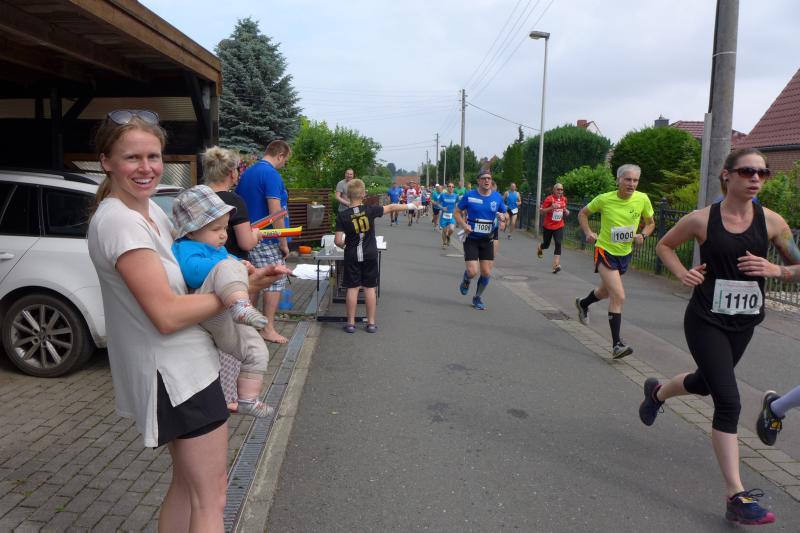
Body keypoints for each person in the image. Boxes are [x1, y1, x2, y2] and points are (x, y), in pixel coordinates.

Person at [87, 109, 284, 529]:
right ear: (106, 161)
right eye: (132, 157)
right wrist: (238, 293)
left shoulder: (151, 212)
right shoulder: (121, 223)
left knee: (187, 488)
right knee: (212, 499)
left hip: (185, 367)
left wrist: (233, 275)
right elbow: (165, 314)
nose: (146, 167)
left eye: (153, 156)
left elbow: (191, 273)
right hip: (176, 375)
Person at [641, 148, 798, 525]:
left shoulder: (772, 222)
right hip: (706, 320)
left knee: (704, 383)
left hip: (744, 322)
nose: (756, 178)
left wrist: (777, 270)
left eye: (763, 173)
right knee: (728, 401)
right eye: (747, 171)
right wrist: (682, 272)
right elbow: (664, 245)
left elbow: (798, 265)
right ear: (727, 175)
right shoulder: (701, 220)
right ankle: (736, 496)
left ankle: (657, 392)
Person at [172, 185, 286, 419]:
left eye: (224, 228)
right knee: (228, 266)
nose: (224, 235)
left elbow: (233, 263)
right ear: (191, 232)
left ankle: (248, 399)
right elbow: (193, 273)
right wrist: (232, 265)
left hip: (225, 315)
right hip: (205, 308)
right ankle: (242, 306)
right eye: (216, 229)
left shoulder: (219, 251)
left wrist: (248, 267)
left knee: (256, 350)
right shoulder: (186, 247)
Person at [574, 164, 655, 358]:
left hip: (624, 253)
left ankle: (583, 303)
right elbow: (583, 213)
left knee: (604, 291)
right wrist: (588, 232)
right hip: (605, 251)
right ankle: (617, 345)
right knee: (618, 296)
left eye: (635, 180)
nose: (632, 184)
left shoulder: (642, 199)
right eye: (628, 179)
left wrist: (643, 235)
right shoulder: (604, 199)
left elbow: (651, 223)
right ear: (618, 180)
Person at [335, 178, 413, 332]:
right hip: (370, 253)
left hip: (352, 255)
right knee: (370, 288)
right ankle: (371, 323)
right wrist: (411, 205)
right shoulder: (370, 210)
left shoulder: (342, 216)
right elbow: (391, 207)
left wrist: (345, 245)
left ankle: (350, 324)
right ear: (363, 194)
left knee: (352, 288)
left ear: (347, 195)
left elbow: (338, 241)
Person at [236, 140, 292, 344]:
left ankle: (247, 329)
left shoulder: (248, 173)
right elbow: (275, 211)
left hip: (248, 236)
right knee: (274, 281)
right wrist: (283, 242)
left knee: (253, 282)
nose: (284, 164)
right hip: (267, 239)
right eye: (285, 160)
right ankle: (268, 329)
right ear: (280, 155)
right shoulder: (270, 174)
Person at [455, 170, 508, 310]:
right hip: (472, 239)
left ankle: (477, 297)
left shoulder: (497, 197)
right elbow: (457, 212)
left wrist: (503, 218)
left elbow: (505, 213)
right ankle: (467, 279)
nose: (487, 181)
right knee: (473, 271)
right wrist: (464, 225)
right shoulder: (469, 195)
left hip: (487, 240)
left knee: (486, 273)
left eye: (489, 178)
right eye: (484, 178)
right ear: (478, 181)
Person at [537, 183, 570, 273]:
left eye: (561, 189)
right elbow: (542, 211)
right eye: (558, 189)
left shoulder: (564, 199)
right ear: (554, 190)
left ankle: (556, 265)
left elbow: (564, 209)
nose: (560, 191)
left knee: (558, 243)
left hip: (559, 225)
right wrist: (551, 207)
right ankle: (540, 247)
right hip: (548, 226)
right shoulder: (549, 199)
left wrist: (566, 211)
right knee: (546, 245)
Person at [438, 182, 458, 248]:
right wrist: (442, 208)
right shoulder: (443, 195)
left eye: (452, 186)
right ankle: (444, 243)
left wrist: (456, 211)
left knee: (452, 229)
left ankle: (448, 236)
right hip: (444, 215)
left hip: (452, 215)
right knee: (444, 230)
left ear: (454, 188)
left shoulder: (456, 196)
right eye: (449, 186)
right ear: (447, 187)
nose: (451, 188)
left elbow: (457, 204)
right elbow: (438, 203)